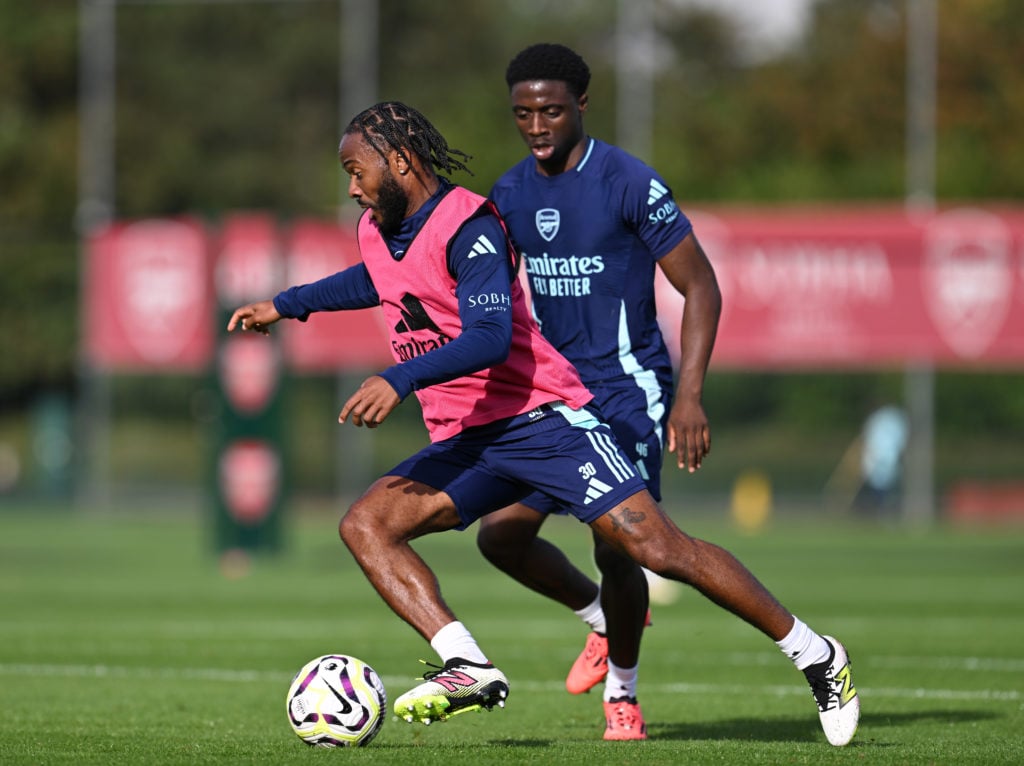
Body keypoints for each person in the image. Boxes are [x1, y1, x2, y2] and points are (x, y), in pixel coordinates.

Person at [226, 100, 860, 748]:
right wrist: (288, 305)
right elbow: (381, 280)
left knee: (657, 550)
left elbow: (490, 336)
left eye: (356, 170)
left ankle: (815, 654)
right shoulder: (376, 228)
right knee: (367, 525)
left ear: (400, 160)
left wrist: (400, 377)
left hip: (543, 420)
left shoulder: (470, 225)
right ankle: (467, 664)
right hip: (470, 436)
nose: (353, 187)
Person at [475, 42, 721, 741]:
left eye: (551, 110)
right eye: (523, 113)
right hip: (550, 396)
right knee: (500, 538)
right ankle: (600, 621)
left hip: (627, 394)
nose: (536, 125)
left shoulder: (629, 182)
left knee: (620, 548)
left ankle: (624, 694)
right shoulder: (510, 193)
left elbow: (699, 284)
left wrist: (690, 396)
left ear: (581, 104)